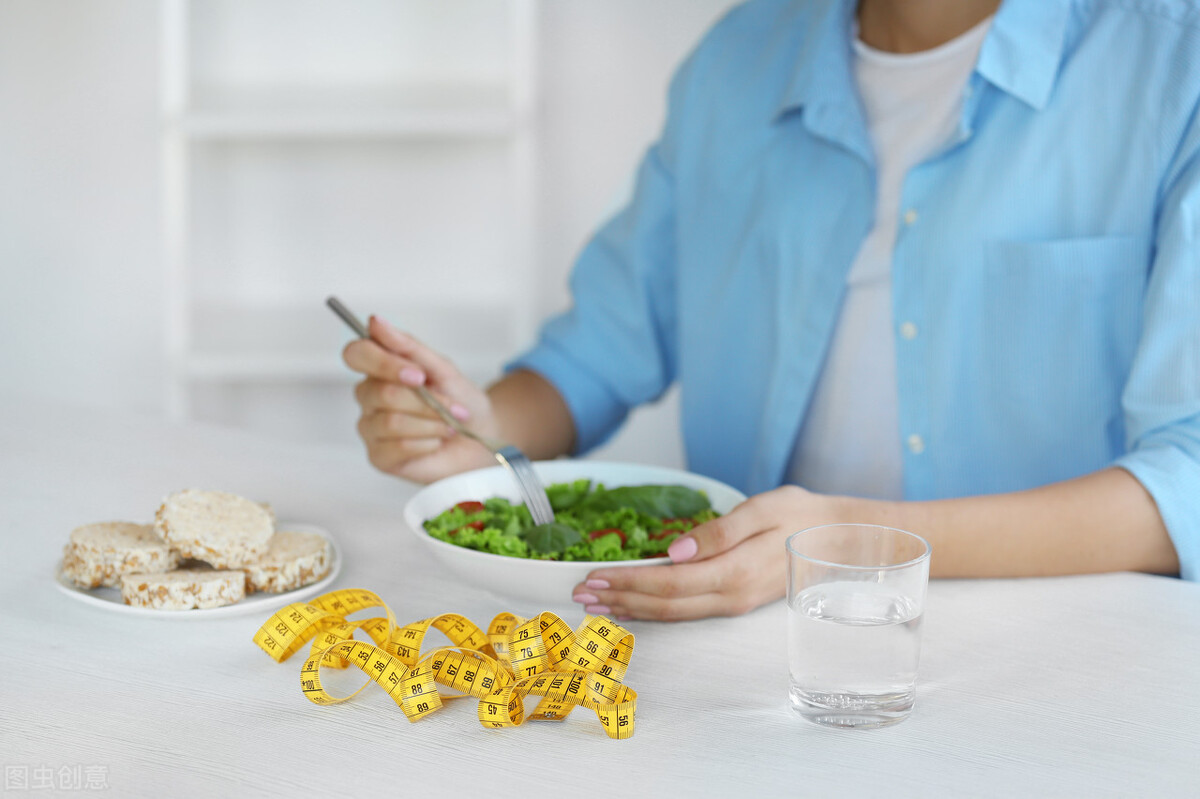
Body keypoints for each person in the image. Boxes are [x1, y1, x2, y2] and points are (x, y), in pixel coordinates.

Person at [344, 0, 1200, 620]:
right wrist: (483, 427)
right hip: (746, 642)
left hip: (1067, 649)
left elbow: (1187, 478)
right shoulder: (736, 60)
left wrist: (852, 538)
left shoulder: (1172, 63)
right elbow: (596, 356)